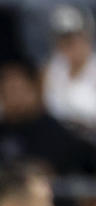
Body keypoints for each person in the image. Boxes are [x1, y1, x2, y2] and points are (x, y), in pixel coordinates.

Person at [0, 60, 96, 206]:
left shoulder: (60, 135)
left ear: (35, 90)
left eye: (17, 89)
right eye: (5, 91)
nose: (11, 97)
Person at [44, 5, 96, 133]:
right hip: (62, 137)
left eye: (74, 39)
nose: (70, 45)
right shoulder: (54, 68)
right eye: (63, 40)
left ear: (86, 37)